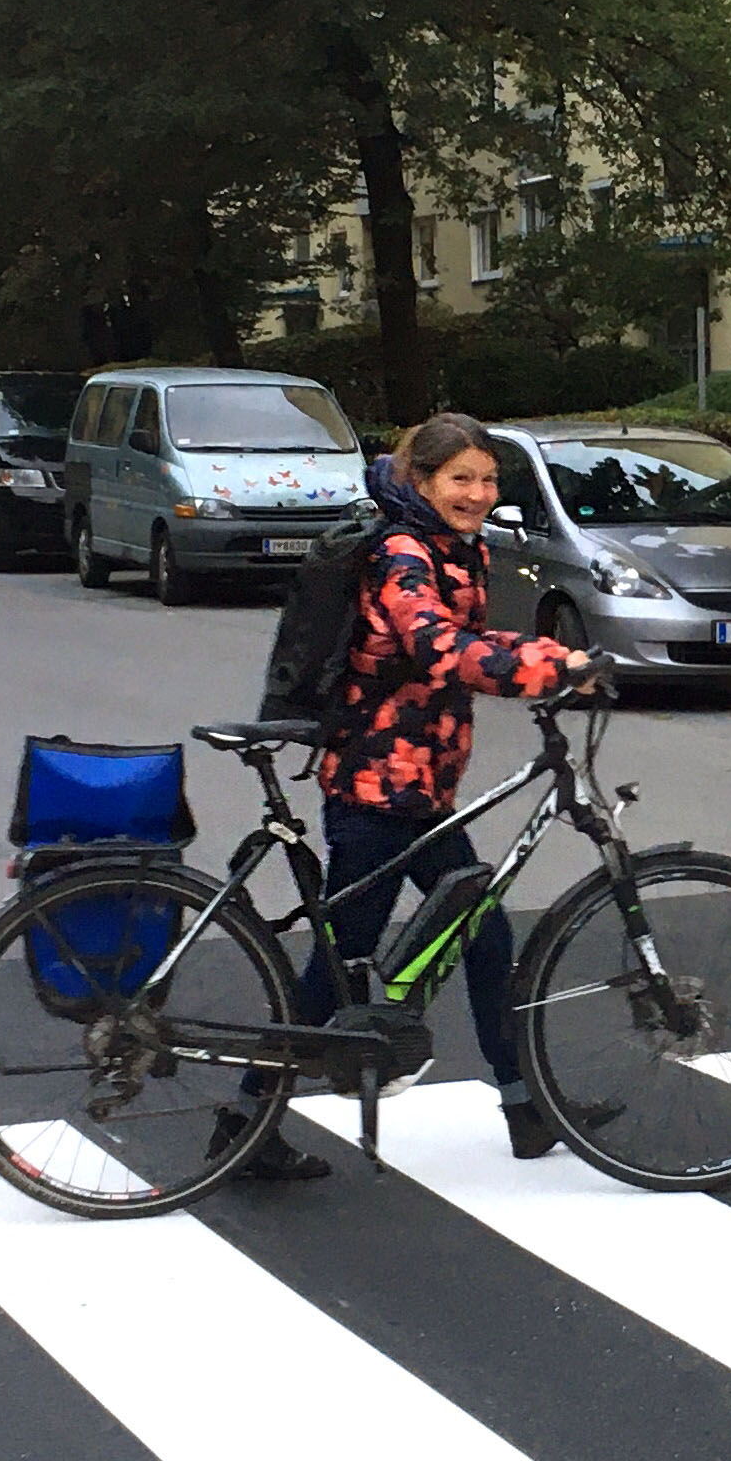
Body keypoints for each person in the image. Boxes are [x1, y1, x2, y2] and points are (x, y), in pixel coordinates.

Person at [225, 410, 604, 1183]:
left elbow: (475, 643)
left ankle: (525, 1108)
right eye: (460, 478)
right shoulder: (402, 552)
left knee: (484, 933)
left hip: (419, 789)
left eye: (489, 478)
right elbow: (436, 648)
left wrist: (554, 655)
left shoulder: (448, 546)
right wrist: (543, 671)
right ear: (423, 480)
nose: (478, 492)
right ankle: (243, 1118)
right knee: (338, 968)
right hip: (377, 789)